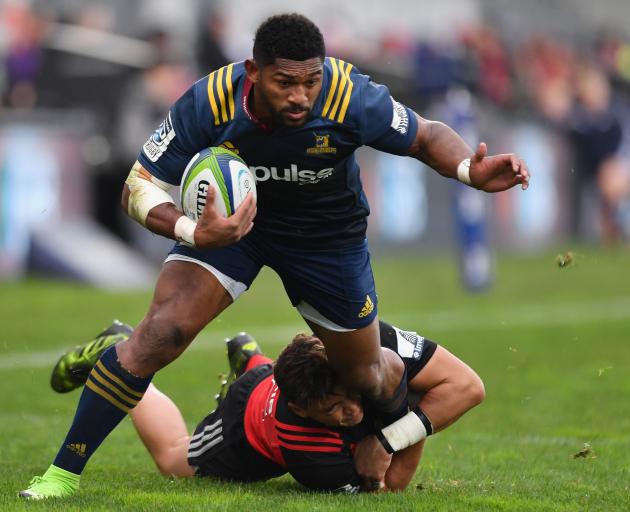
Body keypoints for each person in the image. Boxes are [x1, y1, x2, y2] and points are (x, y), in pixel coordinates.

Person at [20, 13, 528, 499]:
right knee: (161, 334)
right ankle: (62, 475)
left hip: (327, 240)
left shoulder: (350, 94)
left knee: (367, 376)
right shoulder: (210, 100)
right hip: (235, 233)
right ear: (253, 72)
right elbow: (138, 185)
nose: (300, 95)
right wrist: (191, 230)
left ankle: (372, 442)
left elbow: (424, 135)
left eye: (310, 81)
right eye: (285, 82)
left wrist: (468, 170)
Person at [45, 319, 485, 493]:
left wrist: (392, 433)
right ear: (307, 412)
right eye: (333, 411)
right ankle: (121, 350)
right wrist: (399, 426)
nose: (350, 412)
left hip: (286, 375)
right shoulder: (304, 446)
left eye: (349, 396)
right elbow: (390, 484)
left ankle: (252, 357)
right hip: (248, 424)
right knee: (173, 457)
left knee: (359, 394)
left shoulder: (371, 343)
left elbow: (468, 387)